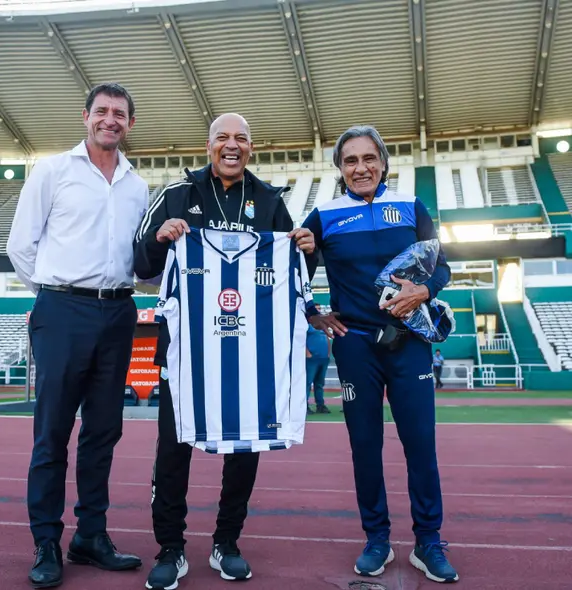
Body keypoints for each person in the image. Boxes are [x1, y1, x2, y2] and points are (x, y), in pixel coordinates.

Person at [133, 112, 316, 590]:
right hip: (187, 354)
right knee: (173, 450)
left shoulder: (272, 202)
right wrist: (161, 237)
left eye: (241, 139)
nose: (231, 146)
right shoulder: (176, 196)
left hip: (250, 354)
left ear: (251, 147)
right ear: (208, 145)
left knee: (246, 447)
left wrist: (307, 248)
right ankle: (170, 548)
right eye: (222, 138)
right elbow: (140, 262)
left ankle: (226, 541)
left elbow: (294, 273)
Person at [7, 82, 150, 589]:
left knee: (103, 432)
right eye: (102, 111)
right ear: (85, 116)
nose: (110, 120)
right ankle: (46, 540)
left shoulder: (137, 186)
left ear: (130, 124)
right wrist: (54, 294)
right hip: (63, 309)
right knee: (52, 433)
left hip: (118, 313)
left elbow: (142, 265)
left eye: (120, 114)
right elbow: (20, 246)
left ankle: (91, 535)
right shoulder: (52, 170)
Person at [301, 125, 459, 583]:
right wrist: (313, 311)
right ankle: (377, 539)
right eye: (350, 161)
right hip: (355, 345)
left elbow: (442, 265)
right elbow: (295, 266)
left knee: (420, 444)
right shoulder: (324, 215)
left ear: (384, 163)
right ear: (340, 169)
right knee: (365, 446)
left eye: (369, 158)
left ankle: (428, 542)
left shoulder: (411, 208)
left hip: (408, 341)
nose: (361, 168)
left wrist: (424, 290)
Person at [306, 324, 331, 413]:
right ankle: (304, 406)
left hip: (323, 358)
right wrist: (307, 353)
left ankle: (320, 405)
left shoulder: (322, 324)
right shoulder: (306, 324)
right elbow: (300, 339)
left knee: (320, 383)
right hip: (311, 359)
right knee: (307, 383)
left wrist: (328, 354)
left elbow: (327, 338)